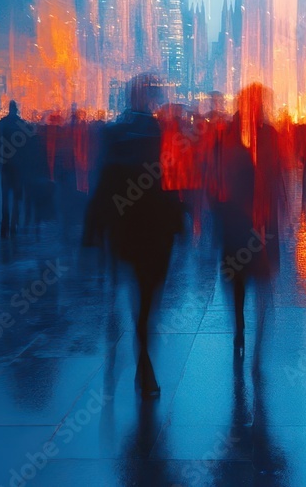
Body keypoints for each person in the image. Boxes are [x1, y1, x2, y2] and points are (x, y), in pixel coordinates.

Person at [83, 74, 183, 397]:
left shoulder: (115, 132)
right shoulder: (155, 131)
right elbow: (166, 175)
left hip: (126, 227)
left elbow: (105, 180)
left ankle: (143, 356)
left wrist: (94, 228)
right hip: (154, 227)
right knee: (148, 296)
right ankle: (144, 362)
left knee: (138, 296)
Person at [216, 84, 284, 353]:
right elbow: (222, 175)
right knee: (241, 278)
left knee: (259, 277)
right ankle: (241, 326)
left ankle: (252, 330)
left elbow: (275, 174)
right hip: (239, 218)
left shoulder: (264, 135)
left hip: (258, 218)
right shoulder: (231, 134)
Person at [0, 101, 30, 239]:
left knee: (5, 197)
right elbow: (26, 148)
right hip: (19, 166)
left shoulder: (2, 123)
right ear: (16, 109)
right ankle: (13, 224)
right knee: (16, 197)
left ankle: (4, 225)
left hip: (6, 164)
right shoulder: (22, 124)